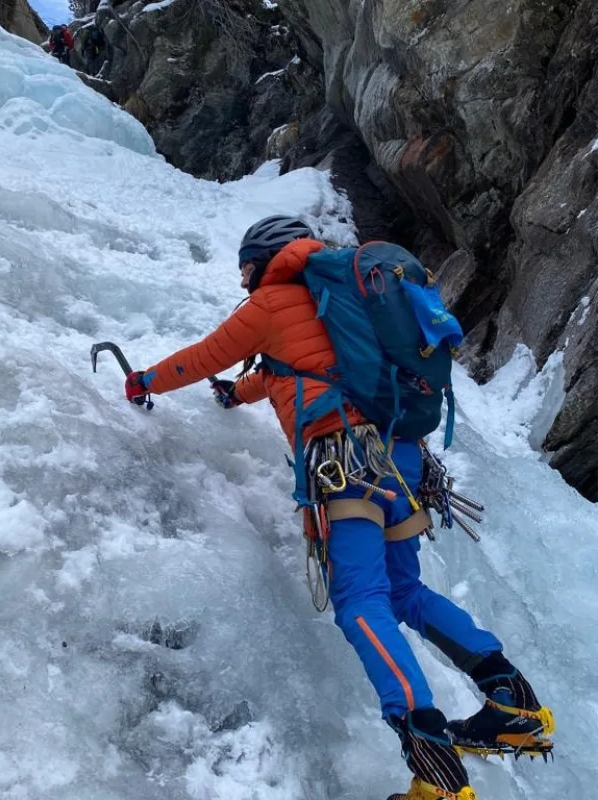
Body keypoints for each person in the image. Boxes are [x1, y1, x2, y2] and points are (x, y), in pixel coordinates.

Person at [123, 216, 553, 800]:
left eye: (246, 264)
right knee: (405, 595)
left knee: (358, 603)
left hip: (343, 463)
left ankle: (436, 771)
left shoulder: (272, 302)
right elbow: (288, 370)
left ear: (264, 258)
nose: (243, 275)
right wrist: (236, 392)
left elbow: (203, 356)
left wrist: (143, 381)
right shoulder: (339, 298)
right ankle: (514, 703)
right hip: (399, 458)